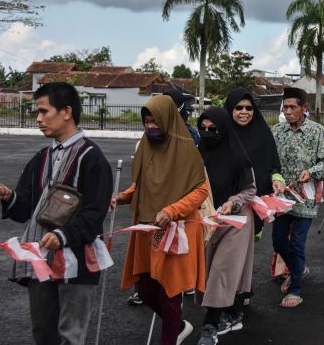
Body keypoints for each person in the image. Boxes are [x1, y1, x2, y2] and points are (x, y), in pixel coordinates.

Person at [0, 82, 113, 345]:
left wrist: (63, 235)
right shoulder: (42, 157)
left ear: (66, 112)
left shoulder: (92, 158)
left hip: (76, 261)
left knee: (70, 336)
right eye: (36, 113)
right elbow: (26, 208)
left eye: (44, 111)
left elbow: (95, 212)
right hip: (41, 260)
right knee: (43, 333)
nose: (38, 119)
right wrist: (8, 195)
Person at [116, 95, 209, 345]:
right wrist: (122, 197)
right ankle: (178, 325)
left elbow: (201, 190)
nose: (150, 127)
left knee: (170, 291)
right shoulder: (147, 145)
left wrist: (172, 210)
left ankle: (170, 335)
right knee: (145, 290)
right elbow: (143, 183)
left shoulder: (186, 148)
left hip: (176, 230)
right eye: (146, 122)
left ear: (167, 119)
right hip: (148, 228)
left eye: (154, 121)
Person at [195, 107, 257, 345]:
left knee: (223, 268)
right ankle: (234, 311)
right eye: (203, 128)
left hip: (236, 220)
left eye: (213, 129)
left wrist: (233, 202)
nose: (208, 133)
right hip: (208, 219)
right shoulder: (197, 155)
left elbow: (250, 189)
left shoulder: (238, 155)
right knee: (209, 269)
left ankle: (209, 325)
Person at [271, 87, 324, 308]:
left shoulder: (317, 131)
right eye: (284, 107)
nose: (288, 111)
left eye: (292, 107)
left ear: (303, 108)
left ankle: (296, 289)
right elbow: (271, 163)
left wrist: (312, 172)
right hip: (282, 197)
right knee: (278, 241)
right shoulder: (277, 131)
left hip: (305, 198)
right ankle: (299, 269)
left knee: (297, 244)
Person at [223, 88, 284, 240]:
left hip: (252, 202)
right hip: (223, 202)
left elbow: (273, 165)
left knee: (244, 250)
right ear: (230, 109)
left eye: (249, 108)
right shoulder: (221, 133)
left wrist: (276, 179)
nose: (244, 112)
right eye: (239, 107)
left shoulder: (263, 133)